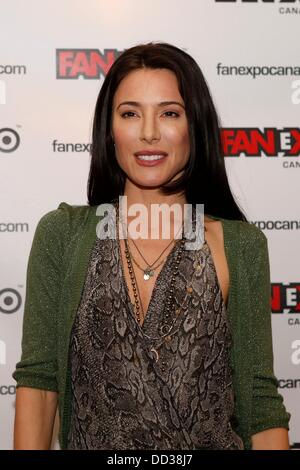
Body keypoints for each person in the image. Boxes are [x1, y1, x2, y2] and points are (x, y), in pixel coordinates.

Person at [13, 42, 290, 450]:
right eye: (130, 113)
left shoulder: (241, 246)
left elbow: (260, 407)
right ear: (109, 130)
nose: (148, 132)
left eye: (169, 113)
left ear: (194, 126)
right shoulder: (63, 235)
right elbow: (39, 385)